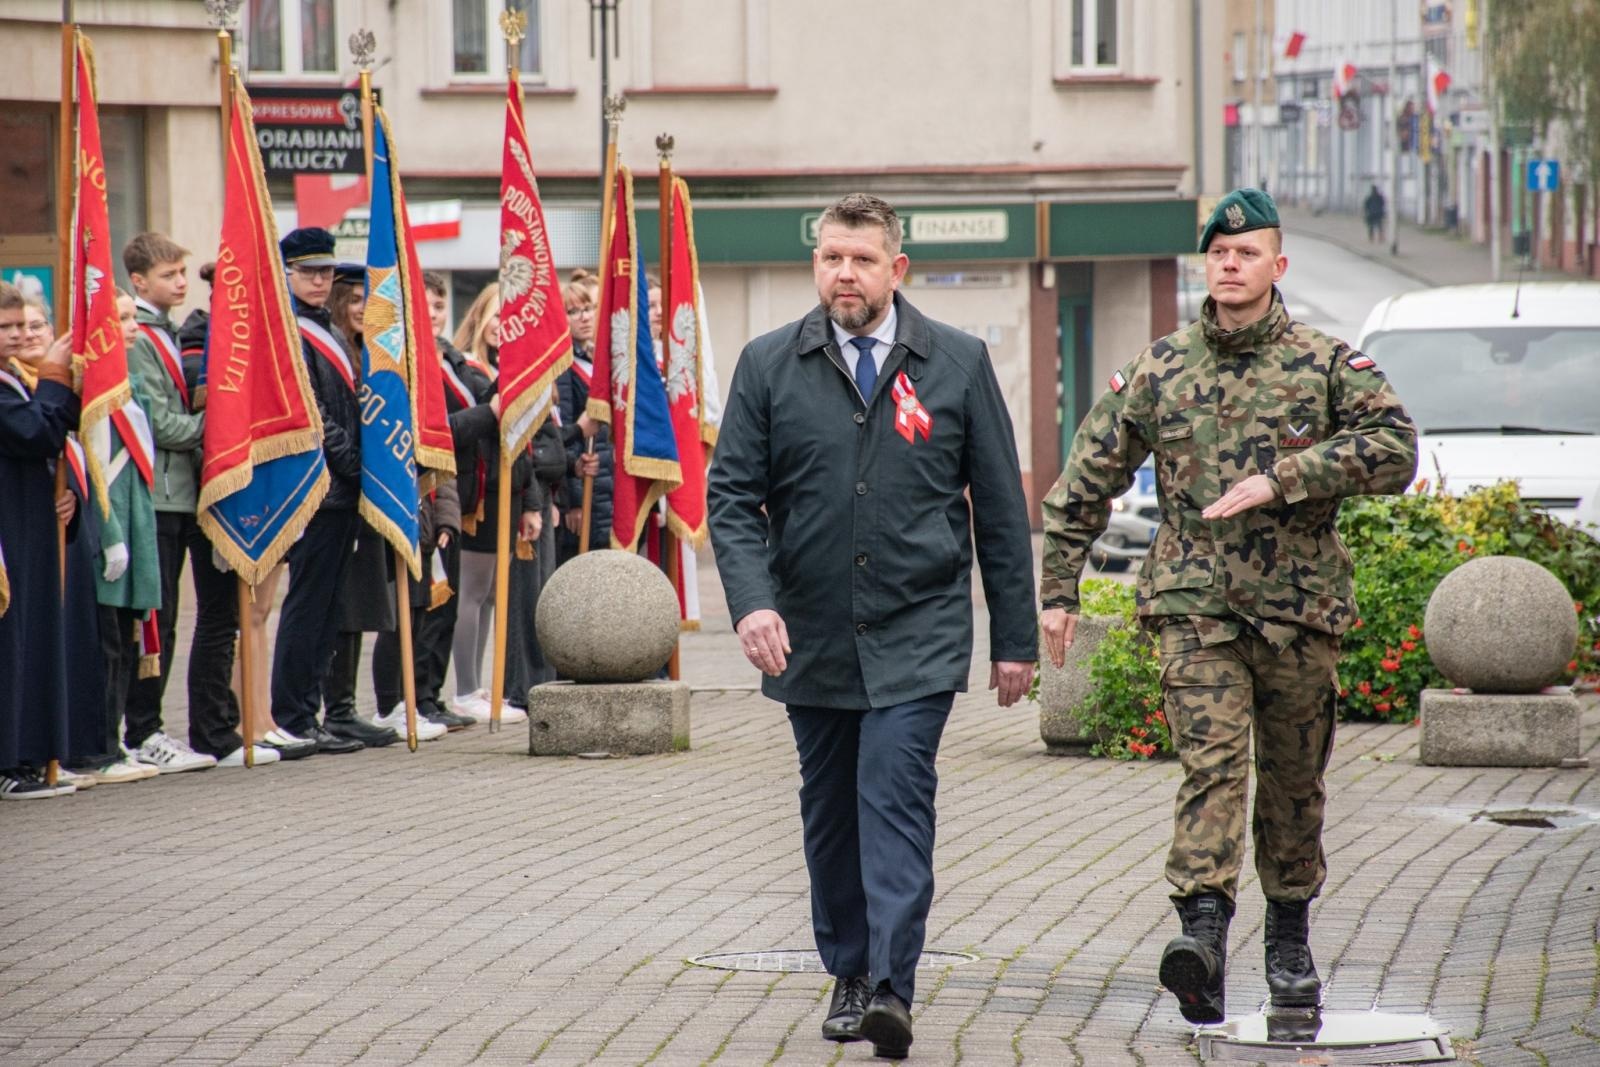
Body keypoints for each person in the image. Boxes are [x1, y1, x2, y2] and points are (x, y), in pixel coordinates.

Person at [1038, 188, 1419, 1025]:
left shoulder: (1324, 363)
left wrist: (1285, 477)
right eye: (1219, 253)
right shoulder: (1163, 367)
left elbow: (1396, 448)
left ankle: (1288, 938)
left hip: (1298, 610)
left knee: (1293, 782)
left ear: (1277, 266)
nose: (1230, 264)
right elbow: (1084, 481)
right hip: (1193, 606)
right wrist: (1058, 591)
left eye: (1247, 253)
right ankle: (1201, 938)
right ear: (1203, 264)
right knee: (1211, 767)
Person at [707, 193, 1037, 1059]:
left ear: (897, 269)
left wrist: (1015, 639)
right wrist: (751, 601)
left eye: (859, 259)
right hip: (808, 635)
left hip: (918, 631)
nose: (842, 274)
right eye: (829, 258)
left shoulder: (956, 364)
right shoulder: (770, 364)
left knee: (893, 794)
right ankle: (849, 970)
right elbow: (732, 499)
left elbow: (1001, 511)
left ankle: (892, 983)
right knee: (830, 813)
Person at [119, 232, 220, 773]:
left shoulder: (168, 330)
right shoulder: (138, 337)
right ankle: (142, 728)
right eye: (169, 275)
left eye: (183, 274)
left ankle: (146, 725)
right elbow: (157, 423)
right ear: (139, 281)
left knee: (169, 619)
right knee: (153, 621)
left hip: (179, 494)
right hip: (156, 494)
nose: (181, 283)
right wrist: (218, 425)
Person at [269, 227, 366, 755]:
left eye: (325, 272)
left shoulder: (324, 326)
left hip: (341, 491)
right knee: (307, 607)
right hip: (317, 489)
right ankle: (293, 715)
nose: (319, 280)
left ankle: (311, 713)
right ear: (287, 273)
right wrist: (353, 465)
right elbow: (315, 414)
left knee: (329, 609)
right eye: (308, 272)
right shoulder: (290, 330)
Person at [71, 291, 168, 783]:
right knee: (105, 646)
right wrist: (110, 534)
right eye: (122, 319)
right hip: (104, 531)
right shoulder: (92, 392)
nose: (132, 327)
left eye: (132, 317)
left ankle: (113, 740)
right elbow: (94, 471)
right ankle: (99, 745)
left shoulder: (129, 388)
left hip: (134, 527)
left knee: (125, 644)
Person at [0, 282, 79, 798]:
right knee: (10, 642)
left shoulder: (13, 379)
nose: (14, 336)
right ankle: (9, 762)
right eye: (4, 328)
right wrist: (54, 373)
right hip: (6, 530)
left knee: (29, 638)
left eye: (19, 325)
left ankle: (28, 752)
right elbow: (35, 433)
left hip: (25, 518)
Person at [556, 271, 608, 563]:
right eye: (573, 312)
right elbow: (567, 434)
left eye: (588, 309)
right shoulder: (565, 365)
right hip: (581, 488)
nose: (584, 317)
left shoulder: (592, 357)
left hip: (602, 482)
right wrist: (574, 501)